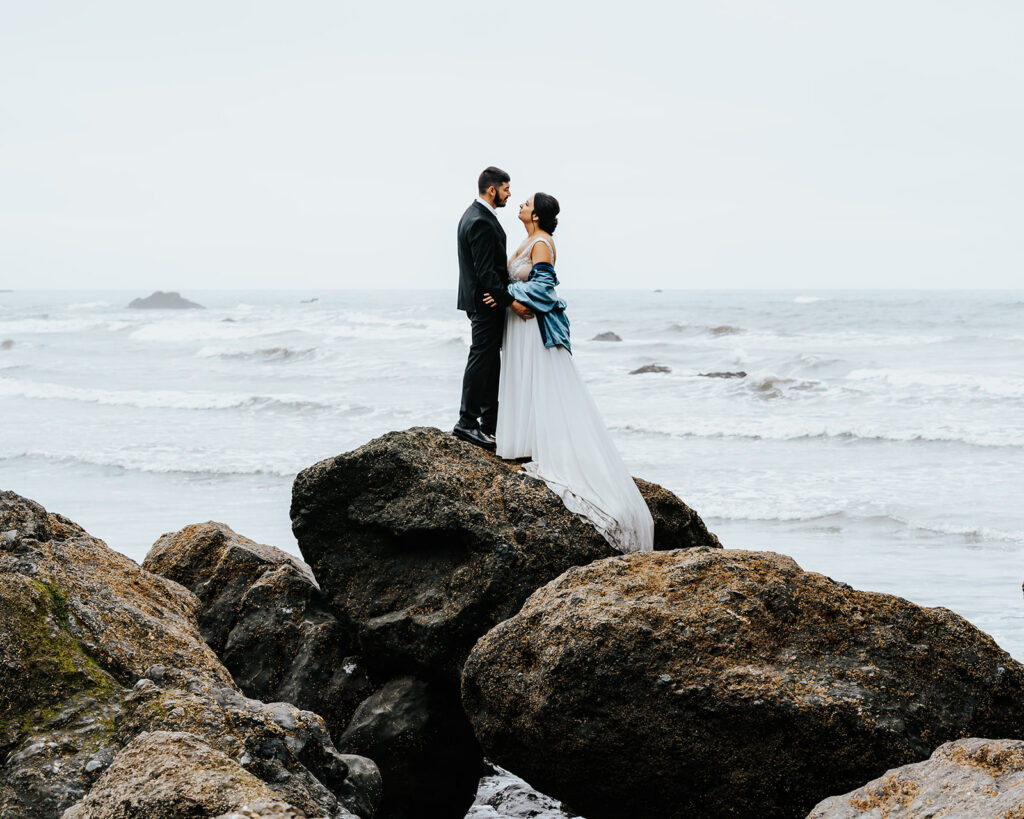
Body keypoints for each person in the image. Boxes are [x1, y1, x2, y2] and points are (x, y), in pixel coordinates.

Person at [482, 193, 654, 554]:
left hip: (533, 326)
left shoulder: (543, 244)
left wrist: (504, 293)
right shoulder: (527, 241)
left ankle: (550, 449)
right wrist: (501, 295)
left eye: (526, 202)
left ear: (537, 213)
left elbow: (544, 289)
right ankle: (523, 440)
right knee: (522, 382)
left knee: (542, 384)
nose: (520, 205)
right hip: (519, 325)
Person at [454, 166, 534, 450]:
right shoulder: (481, 221)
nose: (509, 193)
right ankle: (466, 422)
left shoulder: (474, 215)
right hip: (484, 302)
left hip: (482, 299)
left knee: (489, 360)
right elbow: (486, 272)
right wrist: (510, 302)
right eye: (506, 188)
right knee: (481, 357)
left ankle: (490, 423)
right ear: (492, 189)